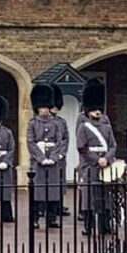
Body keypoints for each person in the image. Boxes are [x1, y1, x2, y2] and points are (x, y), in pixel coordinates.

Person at [77, 78, 118, 235]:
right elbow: (82, 147)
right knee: (89, 197)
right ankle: (88, 226)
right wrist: (96, 159)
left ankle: (104, 224)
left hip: (105, 163)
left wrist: (107, 159)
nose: (97, 111)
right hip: (90, 165)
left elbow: (113, 145)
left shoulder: (106, 126)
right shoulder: (83, 125)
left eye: (99, 108)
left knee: (104, 196)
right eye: (94, 108)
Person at [27, 84, 65, 229]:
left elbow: (59, 141)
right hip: (38, 162)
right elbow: (30, 142)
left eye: (46, 107)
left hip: (53, 161)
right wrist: (41, 158)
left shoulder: (55, 123)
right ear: (37, 108)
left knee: (53, 191)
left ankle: (51, 218)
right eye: (42, 107)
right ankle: (35, 218)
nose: (44, 110)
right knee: (38, 191)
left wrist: (54, 157)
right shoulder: (32, 124)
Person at [50, 83, 72, 217]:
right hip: (48, 156)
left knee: (59, 182)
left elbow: (65, 139)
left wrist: (62, 153)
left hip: (60, 157)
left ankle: (58, 205)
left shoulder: (61, 121)